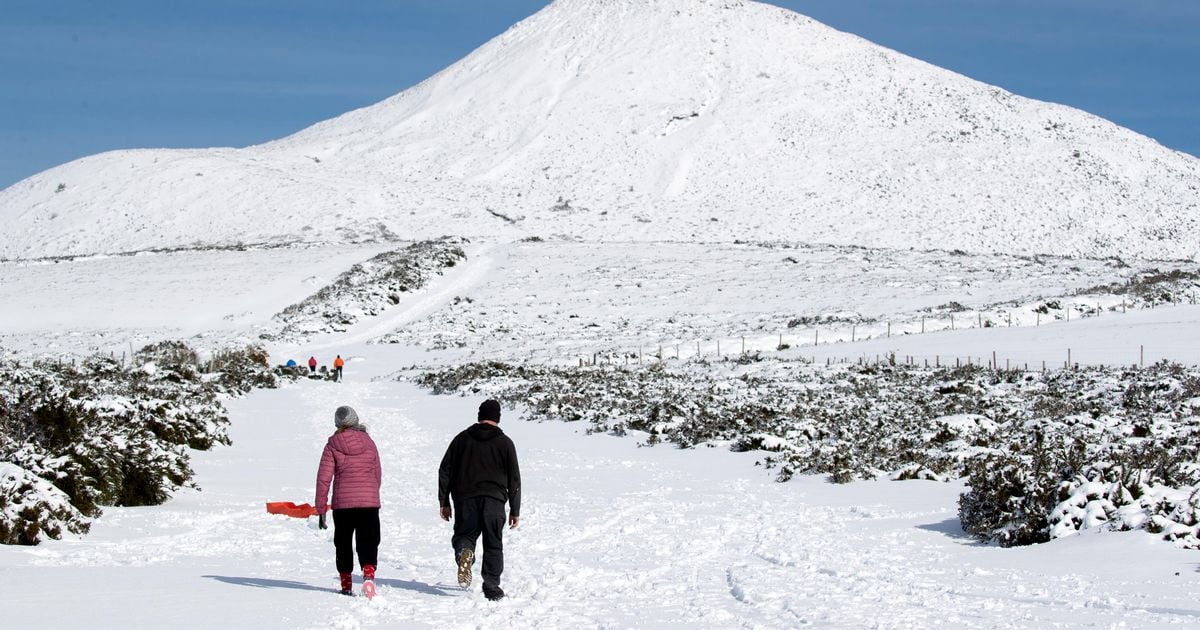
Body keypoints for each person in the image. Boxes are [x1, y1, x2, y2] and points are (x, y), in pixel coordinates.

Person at [438, 399, 521, 601]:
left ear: (479, 415)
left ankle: (464, 553)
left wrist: (444, 501)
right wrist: (515, 509)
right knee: (493, 544)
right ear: (498, 418)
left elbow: (445, 470)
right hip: (494, 501)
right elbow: (514, 478)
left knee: (465, 535)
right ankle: (491, 586)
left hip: (465, 499)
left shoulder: (461, 439)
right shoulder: (505, 443)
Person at [315, 406, 382, 597]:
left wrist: (321, 507)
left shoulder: (332, 445)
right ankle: (368, 575)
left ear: (338, 424)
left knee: (343, 542)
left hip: (343, 504)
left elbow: (323, 478)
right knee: (368, 540)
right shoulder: (369, 443)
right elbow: (377, 472)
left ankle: (346, 583)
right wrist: (372, 493)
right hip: (368, 503)